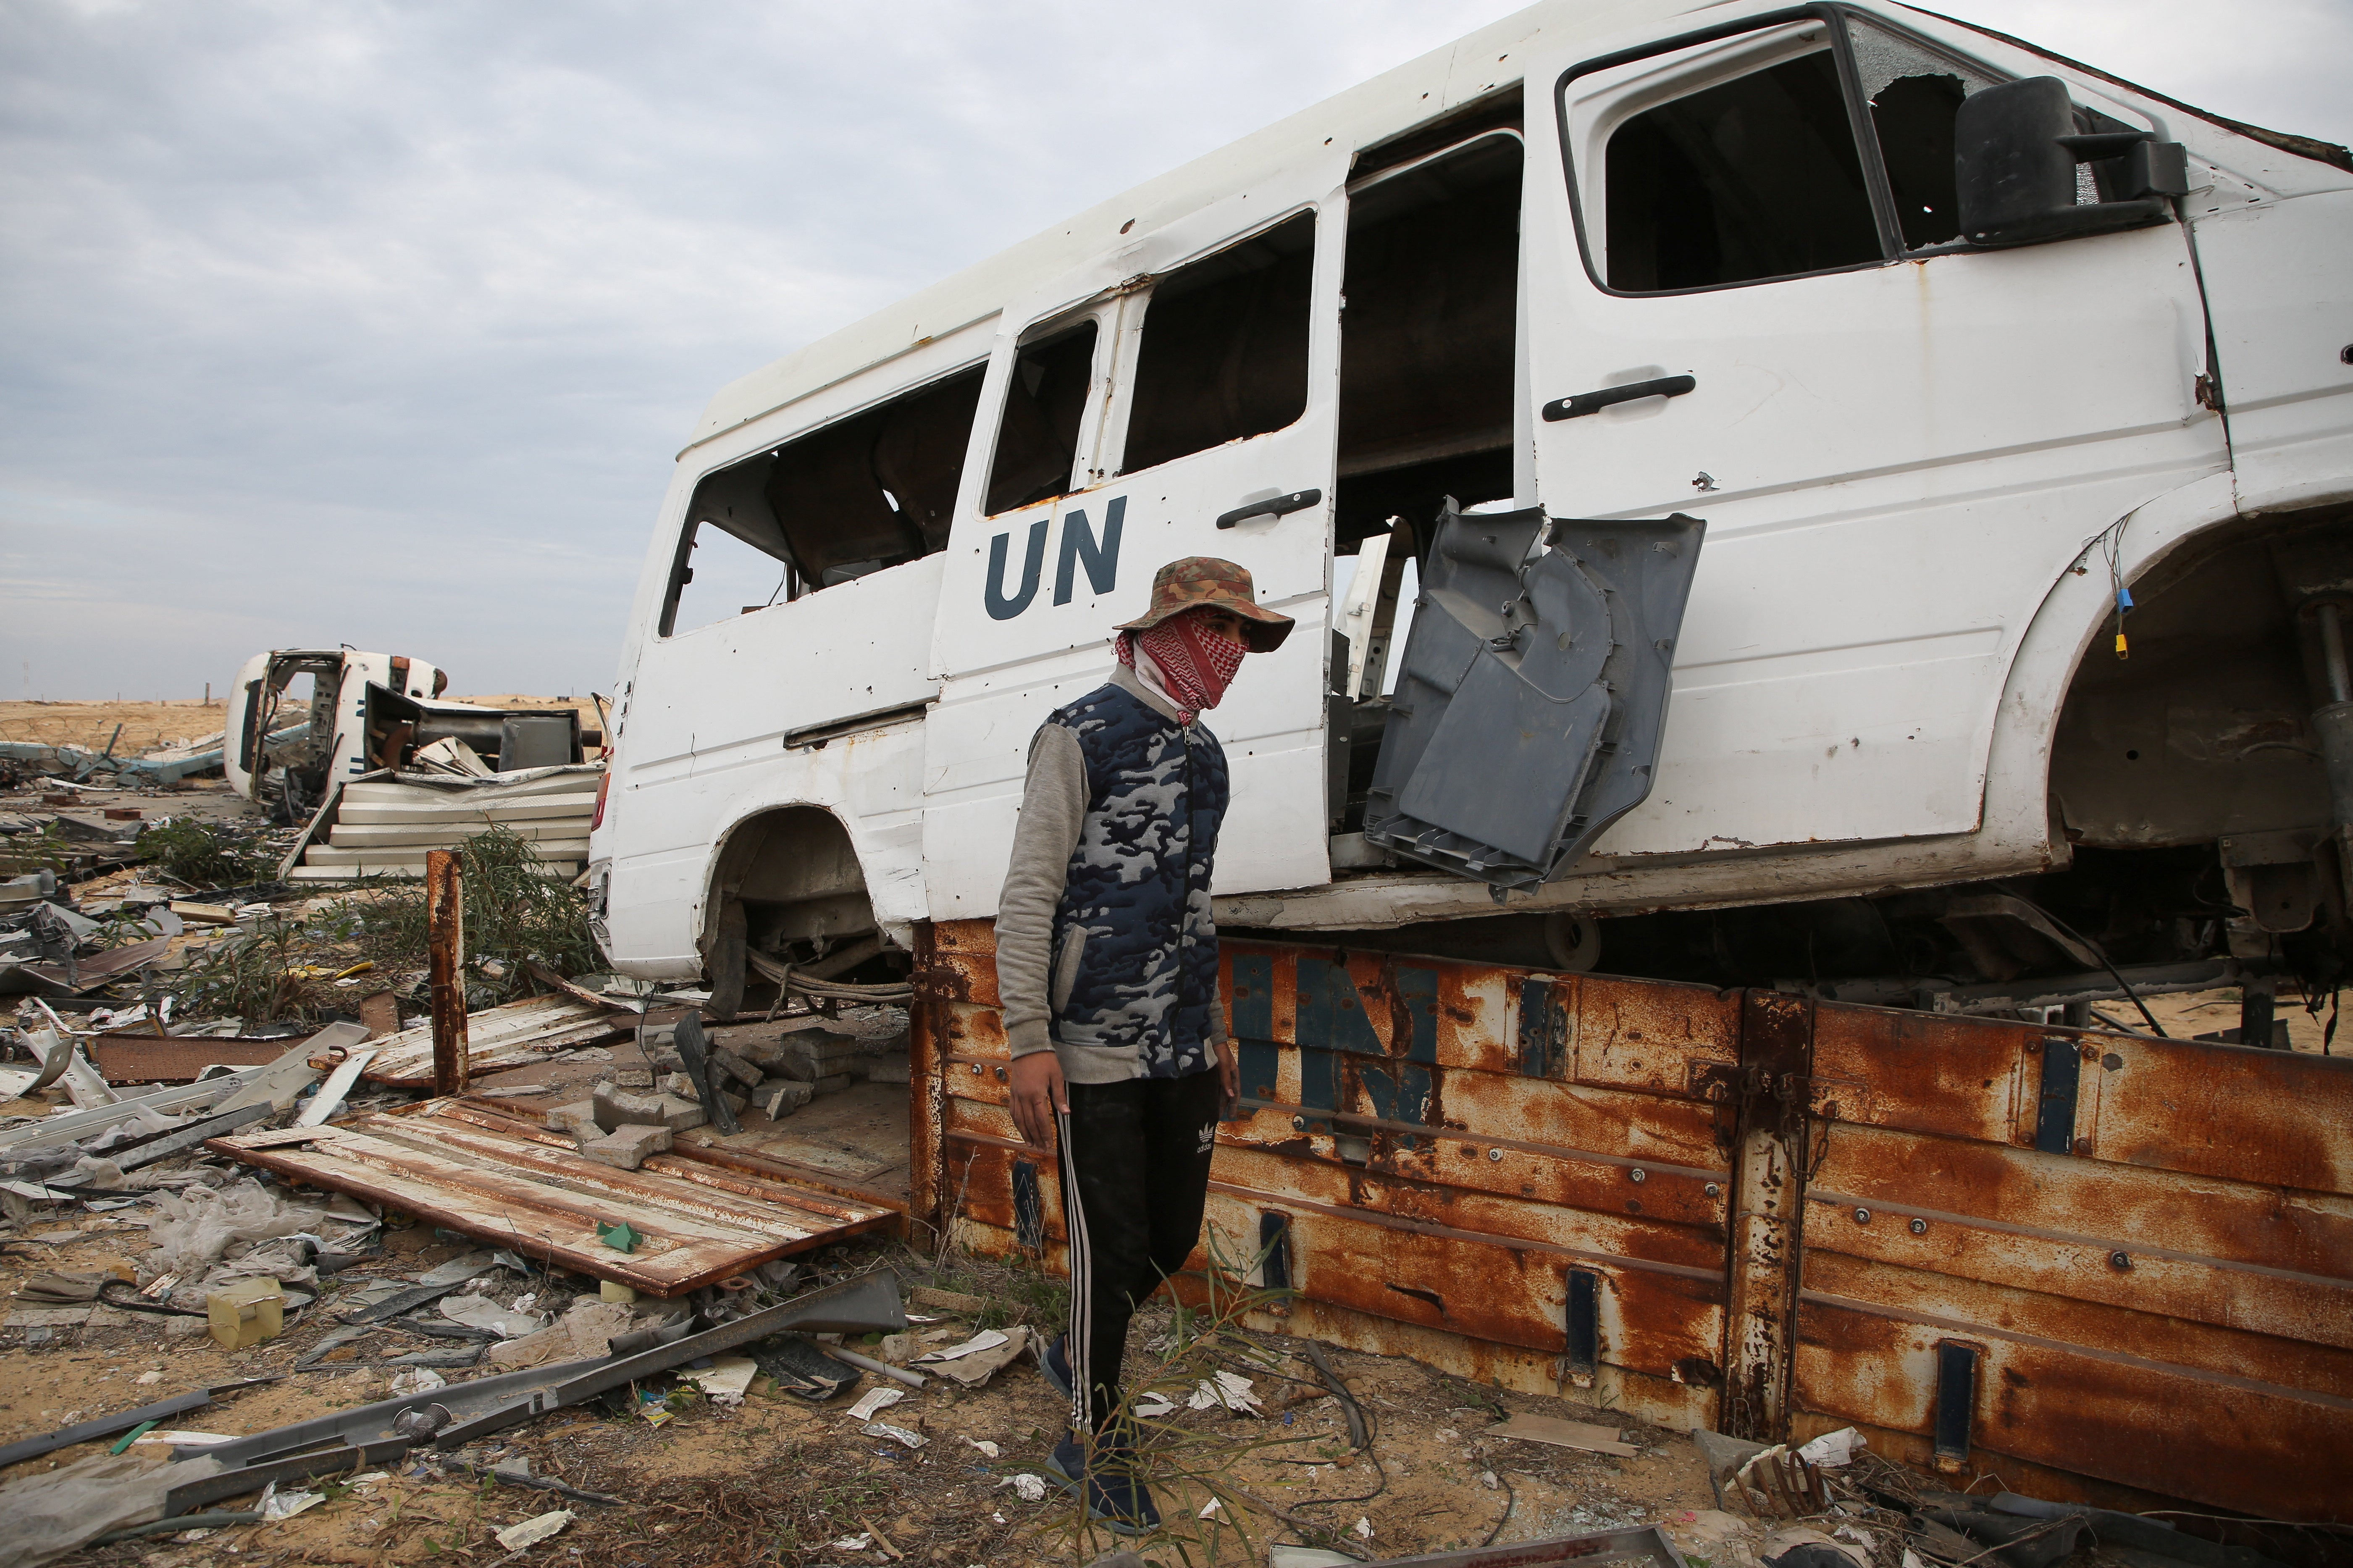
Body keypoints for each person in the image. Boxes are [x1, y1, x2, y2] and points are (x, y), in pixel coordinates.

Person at [995, 555, 1293, 1534]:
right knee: (1108, 1246)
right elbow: (1029, 893)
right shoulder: (1078, 735)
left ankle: (1077, 1352)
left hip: (1179, 1046)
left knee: (1167, 1241)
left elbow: (1197, 904)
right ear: (1164, 630)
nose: (1234, 651)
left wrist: (1214, 1027)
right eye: (1220, 629)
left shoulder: (1204, 756)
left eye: (1245, 635)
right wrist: (1027, 1038)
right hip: (1089, 1049)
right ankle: (1091, 1434)